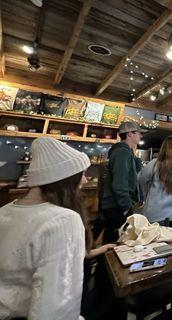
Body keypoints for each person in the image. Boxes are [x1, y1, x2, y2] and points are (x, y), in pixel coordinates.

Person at [0, 137, 91, 319]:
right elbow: (58, 307)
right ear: (67, 178)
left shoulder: (4, 211)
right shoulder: (63, 221)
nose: (86, 181)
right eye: (82, 174)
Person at [100, 121, 142, 242]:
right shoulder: (122, 152)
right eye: (138, 133)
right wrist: (126, 207)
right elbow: (119, 183)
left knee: (112, 239)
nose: (141, 136)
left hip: (115, 204)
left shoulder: (123, 151)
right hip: (117, 205)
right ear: (129, 134)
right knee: (117, 242)